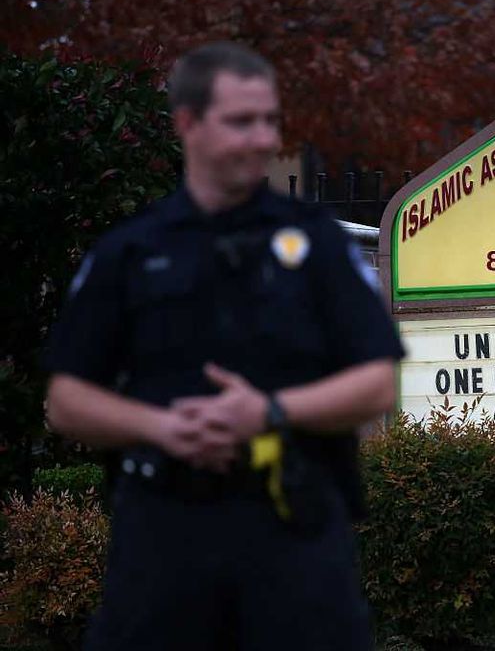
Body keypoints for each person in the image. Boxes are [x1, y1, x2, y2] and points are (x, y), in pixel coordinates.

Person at [43, 41, 403, 650]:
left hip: (294, 539)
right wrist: (162, 427)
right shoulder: (129, 252)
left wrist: (269, 412)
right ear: (188, 123)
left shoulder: (317, 245)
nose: (263, 139)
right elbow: (66, 401)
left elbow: (377, 384)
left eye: (269, 121)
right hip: (163, 541)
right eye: (241, 121)